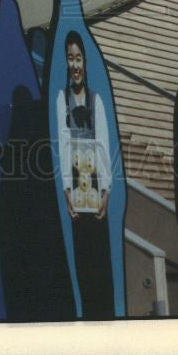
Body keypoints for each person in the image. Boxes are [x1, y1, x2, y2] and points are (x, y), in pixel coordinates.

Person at [55, 30, 114, 318]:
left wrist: (106, 192)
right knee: (81, 261)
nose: (75, 65)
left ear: (85, 63)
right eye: (70, 58)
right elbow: (63, 145)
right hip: (76, 194)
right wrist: (67, 191)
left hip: (95, 192)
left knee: (99, 260)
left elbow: (103, 145)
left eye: (79, 58)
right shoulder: (61, 100)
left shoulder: (96, 100)